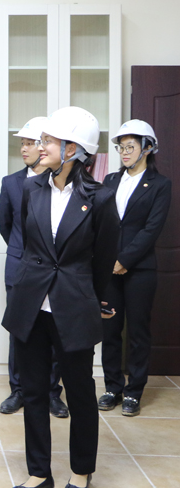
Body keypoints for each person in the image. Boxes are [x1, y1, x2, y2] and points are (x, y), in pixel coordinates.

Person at [3, 106, 119, 488]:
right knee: (33, 391)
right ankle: (39, 473)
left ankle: (80, 472)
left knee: (80, 393)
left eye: (48, 140)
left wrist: (93, 300)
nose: (41, 146)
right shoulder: (30, 188)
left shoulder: (100, 198)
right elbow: (26, 243)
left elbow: (103, 260)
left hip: (74, 307)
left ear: (72, 149)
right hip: (31, 305)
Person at [99, 119, 171, 417]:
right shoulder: (109, 181)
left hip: (139, 270)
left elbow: (151, 229)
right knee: (109, 330)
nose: (124, 152)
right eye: (121, 147)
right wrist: (107, 260)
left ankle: (133, 392)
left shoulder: (160, 184)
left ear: (148, 148)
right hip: (107, 269)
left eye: (130, 147)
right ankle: (112, 387)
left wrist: (124, 260)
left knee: (138, 332)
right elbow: (101, 223)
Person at [0, 118, 68, 419]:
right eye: (22, 143)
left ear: (44, 146)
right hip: (19, 268)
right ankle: (19, 390)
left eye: (30, 143)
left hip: (55, 272)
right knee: (20, 331)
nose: (24, 149)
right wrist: (22, 251)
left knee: (54, 332)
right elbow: (6, 225)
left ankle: (52, 392)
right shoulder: (11, 183)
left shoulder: (61, 183)